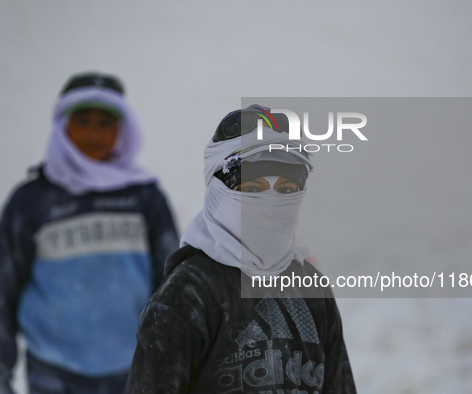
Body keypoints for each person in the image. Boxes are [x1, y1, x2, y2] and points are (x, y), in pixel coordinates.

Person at [125, 105, 356, 393]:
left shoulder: (311, 288)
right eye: (252, 189)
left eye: (285, 190)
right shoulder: (188, 294)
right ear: (218, 194)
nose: (270, 203)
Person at [0, 72, 179, 394]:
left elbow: (172, 287)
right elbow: (2, 289)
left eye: (105, 123)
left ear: (122, 130)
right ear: (62, 127)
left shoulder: (145, 198)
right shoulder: (32, 200)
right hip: (53, 371)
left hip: (132, 368)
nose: (93, 133)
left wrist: (175, 360)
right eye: (82, 120)